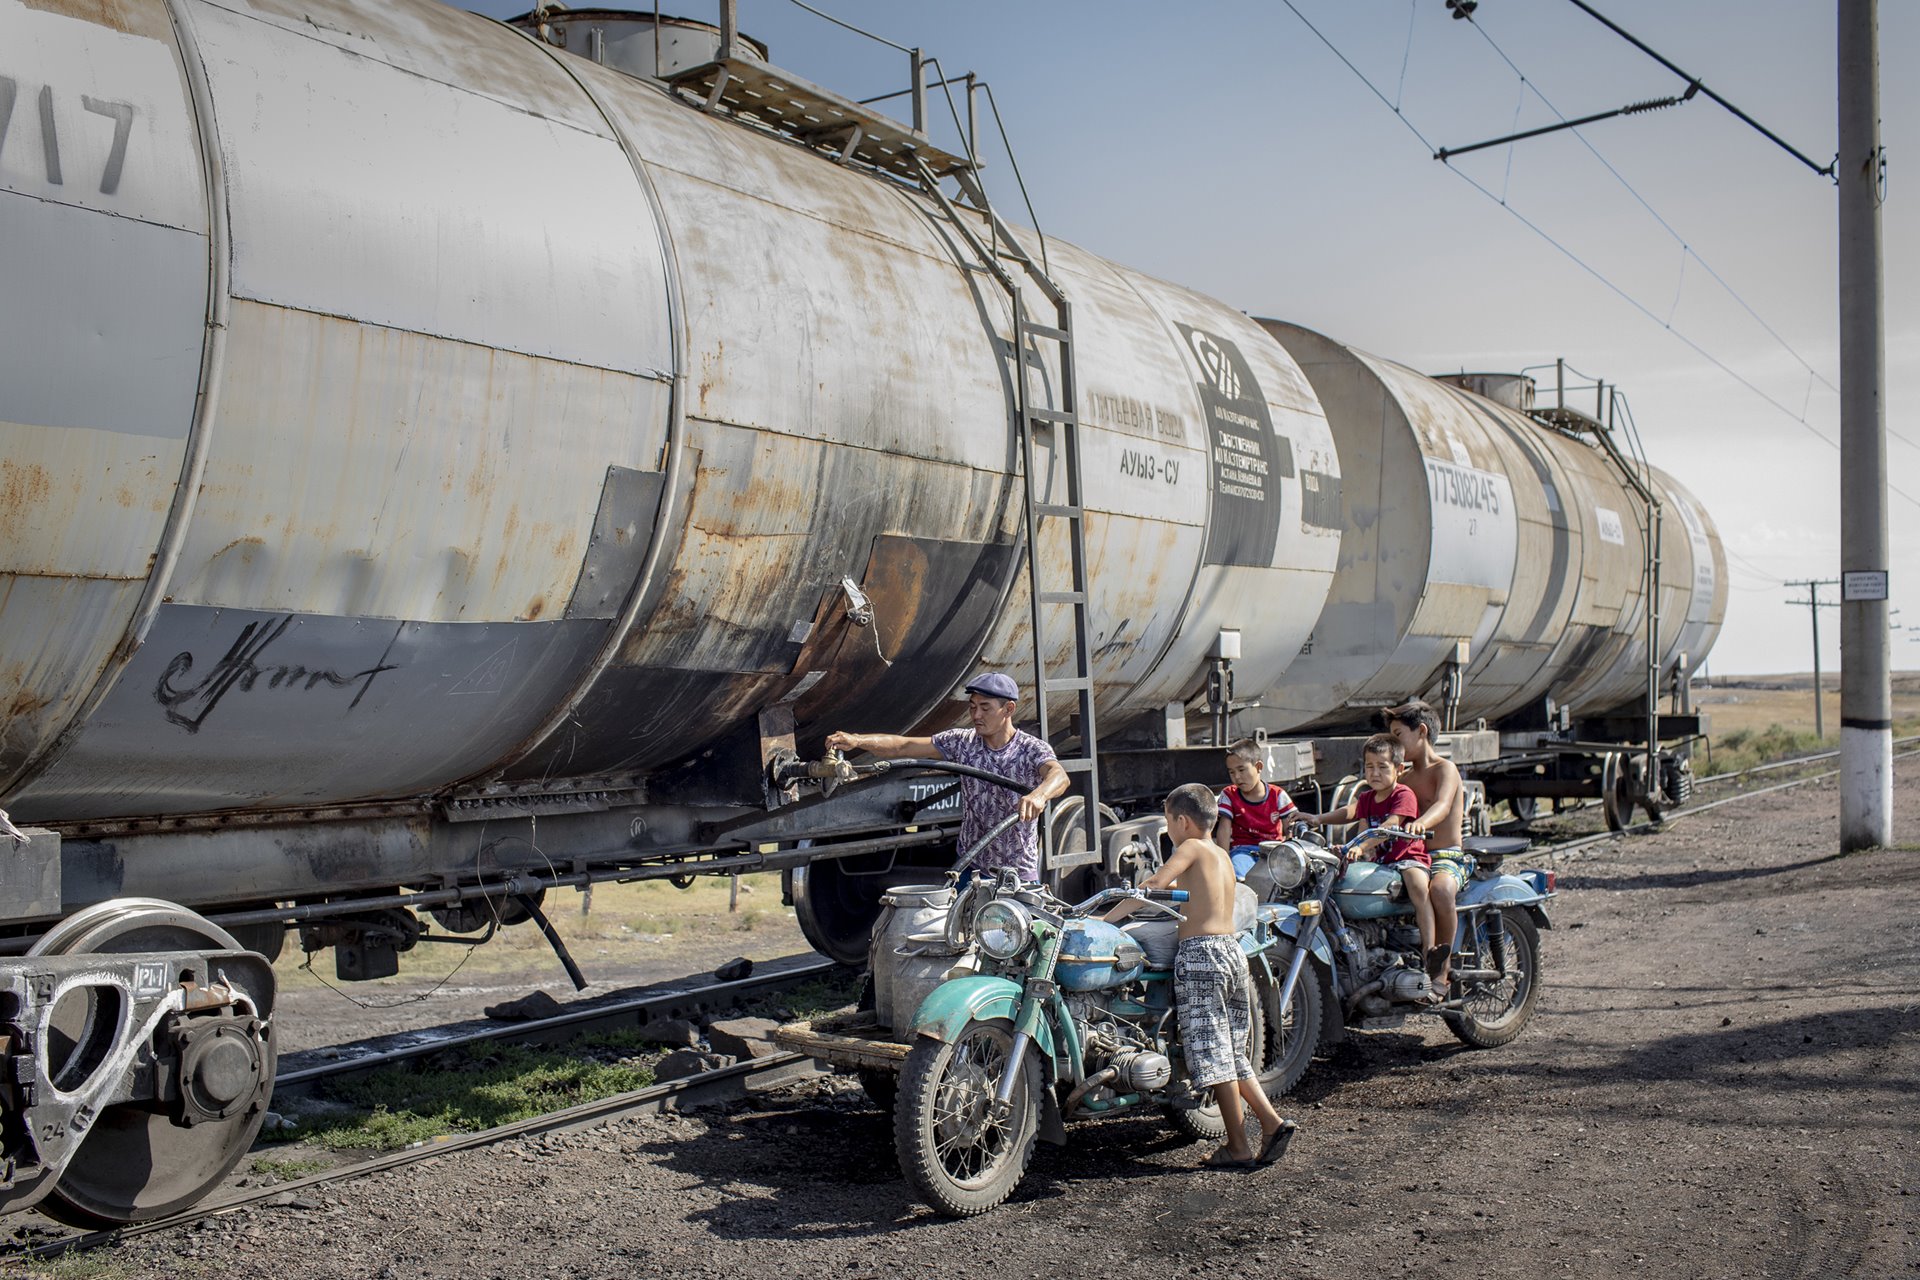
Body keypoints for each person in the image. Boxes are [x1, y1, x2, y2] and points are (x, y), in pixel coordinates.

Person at [1139, 782, 1294, 1170]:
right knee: (1230, 1052)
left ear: (1182, 821)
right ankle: (1268, 1125)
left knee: (1212, 1055)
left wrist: (1105, 915)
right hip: (1232, 953)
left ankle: (1243, 1143)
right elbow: (1183, 891)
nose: (1169, 830)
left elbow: (1154, 886)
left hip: (1200, 956)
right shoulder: (1222, 856)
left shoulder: (1188, 848)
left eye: (1168, 822)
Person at [823, 672, 1069, 883]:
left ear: (1009, 709)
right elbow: (904, 746)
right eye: (973, 707)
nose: (976, 716)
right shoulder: (963, 742)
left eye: (985, 708)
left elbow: (1059, 775)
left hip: (1016, 872)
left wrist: (1040, 794)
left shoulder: (1030, 748)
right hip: (971, 867)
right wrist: (857, 740)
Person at [1293, 734, 1438, 999]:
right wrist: (1316, 819)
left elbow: (1389, 827)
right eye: (1370, 766)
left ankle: (1431, 953)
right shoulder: (1368, 797)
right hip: (1381, 861)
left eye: (1383, 767)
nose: (1375, 772)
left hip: (1408, 857)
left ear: (1399, 769)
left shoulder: (1403, 794)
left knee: (1418, 886)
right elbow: (1351, 814)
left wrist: (1362, 846)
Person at [1386, 699, 1471, 991]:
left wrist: (1421, 822)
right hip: (1413, 855)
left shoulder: (1444, 769)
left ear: (1421, 731)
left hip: (1446, 855)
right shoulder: (1404, 777)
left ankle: (1442, 968)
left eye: (1398, 736)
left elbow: (1443, 805)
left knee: (1442, 889)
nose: (1394, 744)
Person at [1214, 739, 1301, 881]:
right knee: (1241, 878)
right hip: (1242, 850)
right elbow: (1224, 830)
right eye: (1232, 772)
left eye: (1241, 770)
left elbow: (1290, 827)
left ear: (1259, 767)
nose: (1237, 777)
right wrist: (1223, 862)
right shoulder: (1229, 795)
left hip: (1275, 851)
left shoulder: (1278, 795)